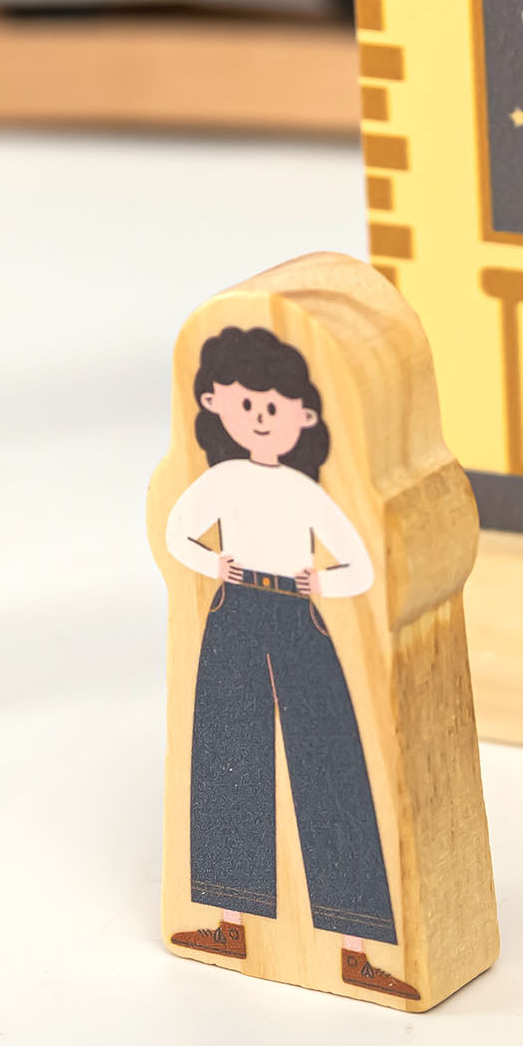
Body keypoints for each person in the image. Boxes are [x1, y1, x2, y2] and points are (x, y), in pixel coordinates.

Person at [162, 325, 416, 1001]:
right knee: (229, 757)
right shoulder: (223, 479)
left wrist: (320, 582)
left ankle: (357, 947)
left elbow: (360, 564)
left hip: (298, 615)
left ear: (303, 416)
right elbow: (176, 531)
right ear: (216, 404)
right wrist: (213, 563)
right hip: (236, 608)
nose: (259, 418)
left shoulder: (307, 492)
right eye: (246, 404)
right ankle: (231, 924)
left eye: (273, 406)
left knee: (330, 762)